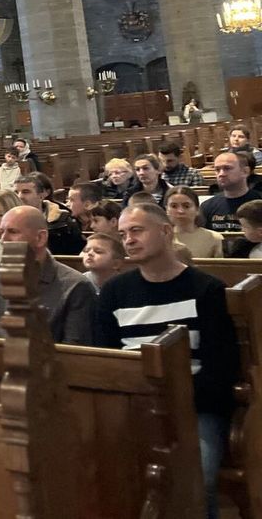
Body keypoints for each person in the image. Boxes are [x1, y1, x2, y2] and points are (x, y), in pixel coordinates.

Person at [95, 202, 239, 518]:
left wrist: (173, 402)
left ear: (165, 231)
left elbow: (221, 368)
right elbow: (104, 358)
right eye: (123, 234)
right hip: (133, 406)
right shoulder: (114, 292)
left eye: (136, 230)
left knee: (195, 476)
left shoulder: (207, 289)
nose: (128, 240)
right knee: (104, 471)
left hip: (194, 408)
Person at [0, 206, 96, 345]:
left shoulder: (76, 286)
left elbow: (73, 350)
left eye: (13, 232)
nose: (3, 240)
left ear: (40, 238)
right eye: (2, 232)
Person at [13, 173, 83, 255]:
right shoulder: (7, 221)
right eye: (16, 192)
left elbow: (76, 254)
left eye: (26, 192)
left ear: (41, 195)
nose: (19, 196)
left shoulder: (63, 221)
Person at [200, 150, 262, 233]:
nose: (221, 174)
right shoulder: (207, 206)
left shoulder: (259, 202)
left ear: (245, 171)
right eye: (217, 170)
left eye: (227, 168)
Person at [165, 186, 223, 258]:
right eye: (174, 206)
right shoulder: (160, 238)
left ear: (197, 209)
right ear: (166, 209)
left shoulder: (214, 238)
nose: (180, 211)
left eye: (186, 206)